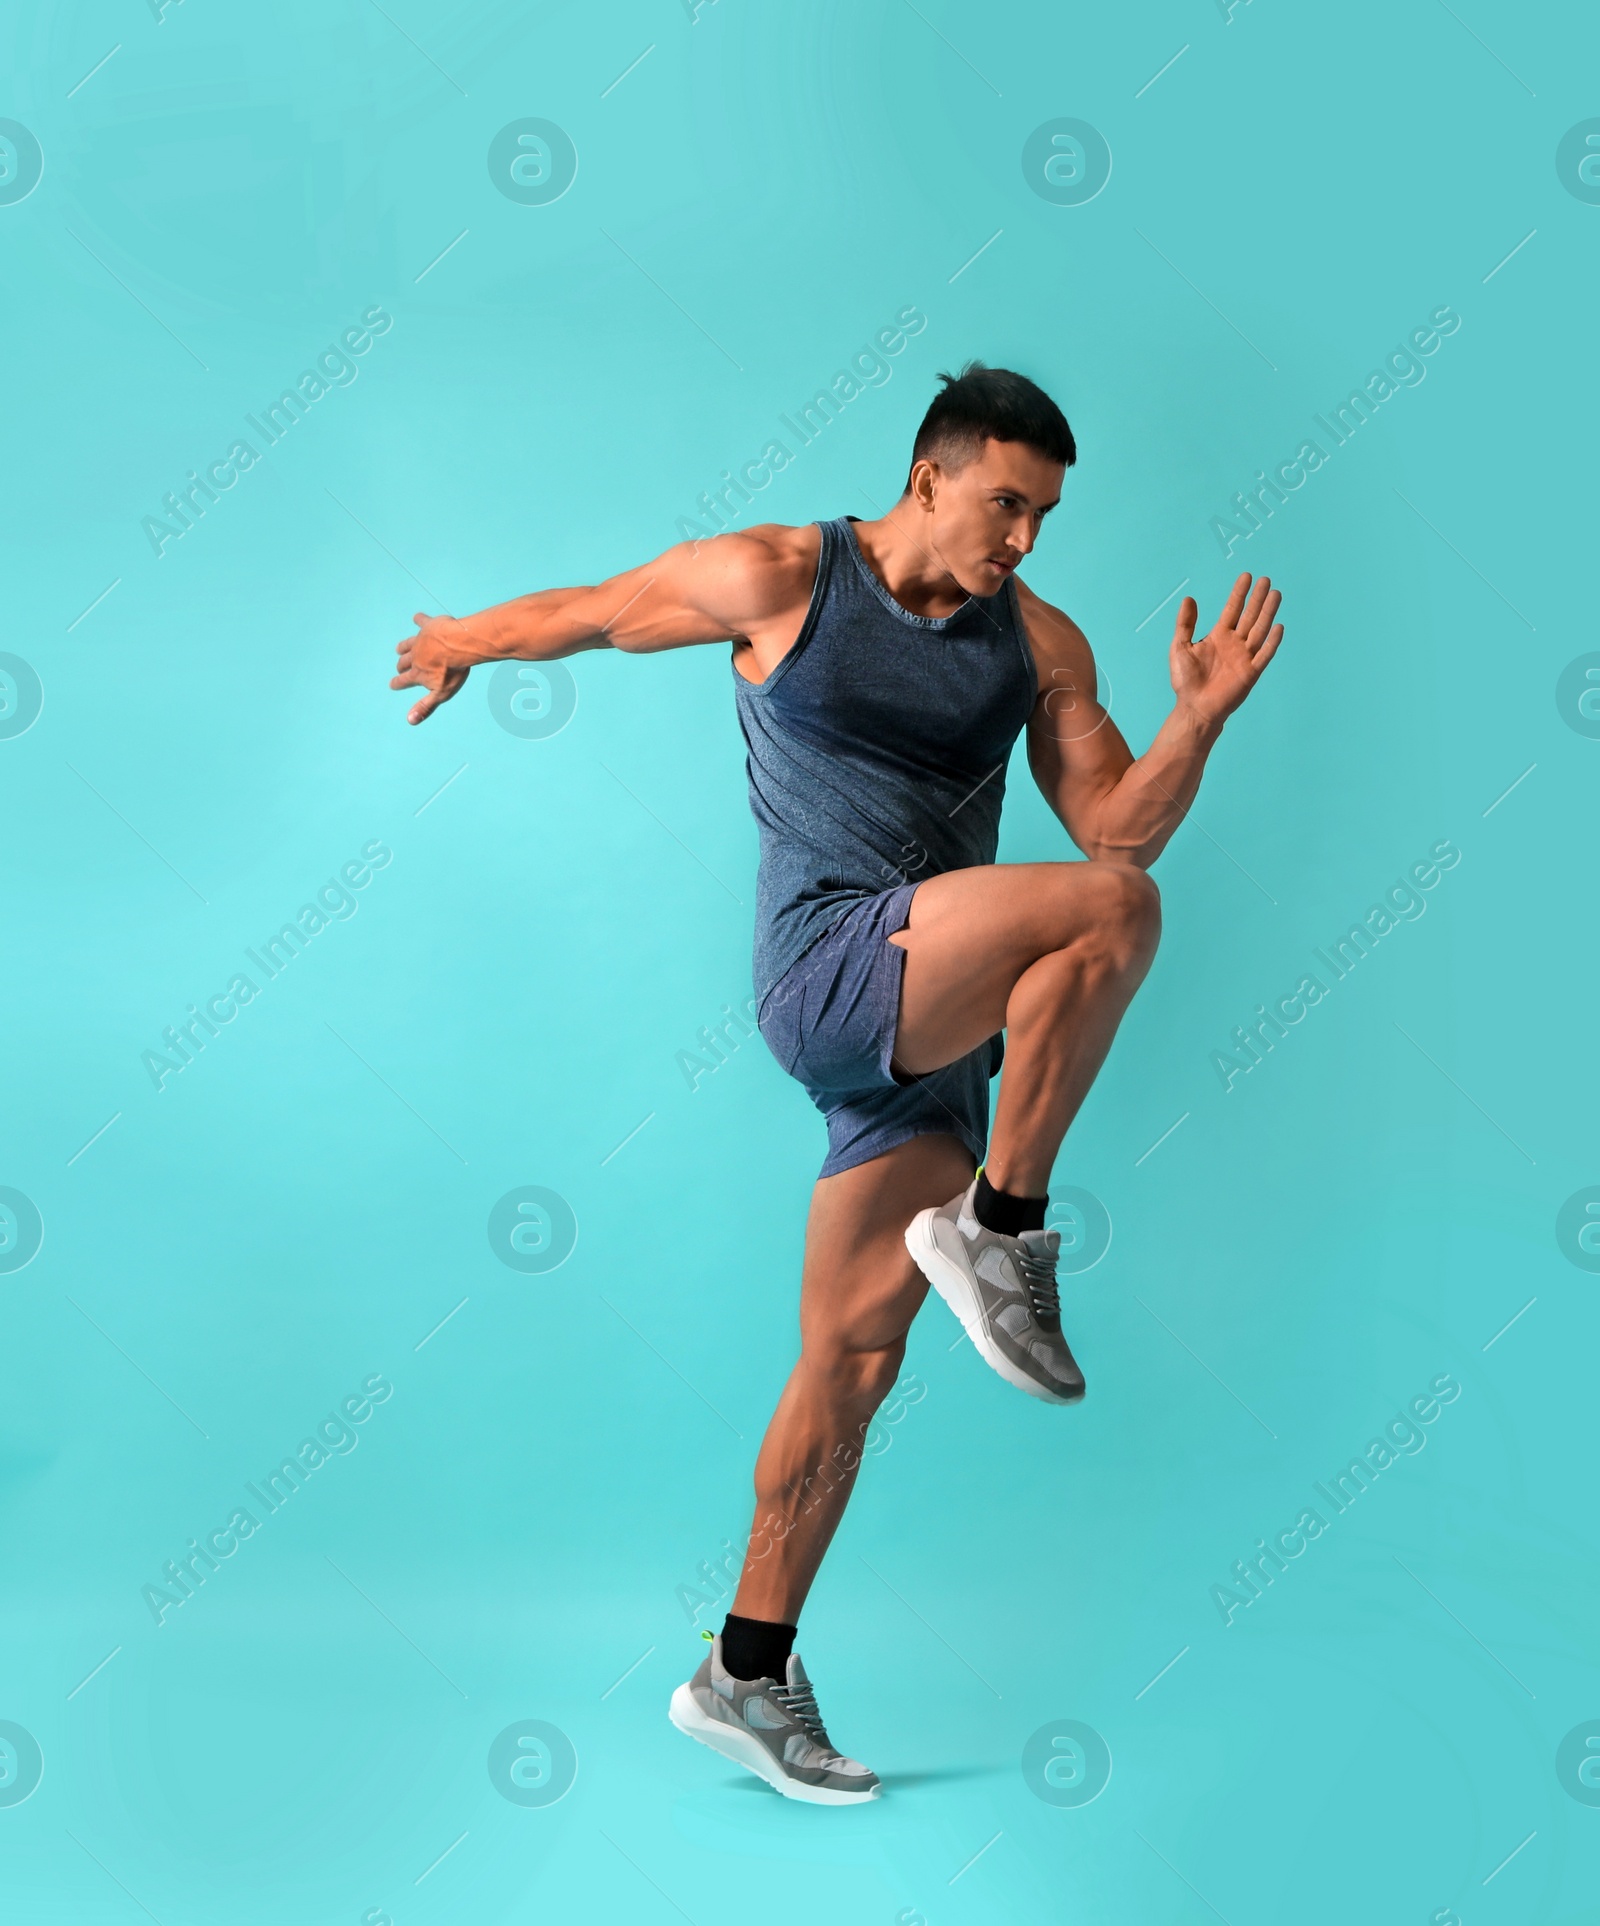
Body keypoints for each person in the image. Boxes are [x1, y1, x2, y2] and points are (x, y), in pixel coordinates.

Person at [390, 362, 1284, 1804]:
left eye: (1046, 514)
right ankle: (1005, 1224)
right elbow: (605, 611)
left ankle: (745, 1666)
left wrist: (1199, 720)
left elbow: (1123, 821)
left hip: (931, 1031)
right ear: (930, 475)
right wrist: (461, 641)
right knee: (1109, 925)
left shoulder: (1034, 640)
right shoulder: (786, 577)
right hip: (829, 968)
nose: (1026, 541)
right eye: (1008, 503)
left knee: (854, 1364)